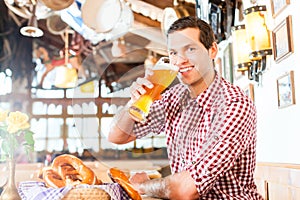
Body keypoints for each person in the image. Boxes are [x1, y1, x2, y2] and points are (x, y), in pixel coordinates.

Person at [108, 16, 263, 200]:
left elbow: (186, 189)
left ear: (212, 50)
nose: (180, 60)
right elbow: (117, 136)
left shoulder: (233, 105)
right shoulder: (174, 98)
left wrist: (142, 186)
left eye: (190, 49)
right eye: (173, 52)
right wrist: (133, 103)